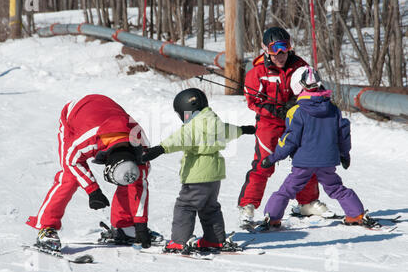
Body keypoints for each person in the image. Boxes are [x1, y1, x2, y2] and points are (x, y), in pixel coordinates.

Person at [26, 94, 155, 251]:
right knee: (70, 178)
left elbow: (139, 185)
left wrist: (141, 225)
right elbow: (71, 161)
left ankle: (124, 226)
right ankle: (46, 227)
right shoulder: (88, 140)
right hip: (75, 116)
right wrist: (93, 191)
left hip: (106, 115)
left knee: (131, 178)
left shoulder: (142, 148)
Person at [141, 88, 256, 252]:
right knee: (210, 207)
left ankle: (179, 241)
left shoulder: (193, 126)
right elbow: (230, 130)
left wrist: (159, 149)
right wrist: (244, 129)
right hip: (214, 175)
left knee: (185, 205)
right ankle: (214, 239)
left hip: (197, 175)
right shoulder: (216, 123)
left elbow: (177, 139)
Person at [237, 26, 328, 228]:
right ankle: (248, 205)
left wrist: (296, 102)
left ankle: (307, 202)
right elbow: (253, 101)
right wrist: (275, 110)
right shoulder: (258, 72)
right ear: (266, 49)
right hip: (269, 123)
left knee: (305, 160)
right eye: (274, 49)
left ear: (290, 47)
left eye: (284, 47)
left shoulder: (300, 66)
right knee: (264, 163)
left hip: (295, 121)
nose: (280, 54)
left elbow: (312, 88)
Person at [261, 66, 371, 227]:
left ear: (297, 86)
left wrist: (273, 158)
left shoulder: (297, 112)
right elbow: (343, 135)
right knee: (335, 187)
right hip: (328, 160)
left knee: (287, 190)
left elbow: (289, 139)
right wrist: (344, 155)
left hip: (304, 162)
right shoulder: (333, 109)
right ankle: (356, 214)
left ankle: (273, 217)